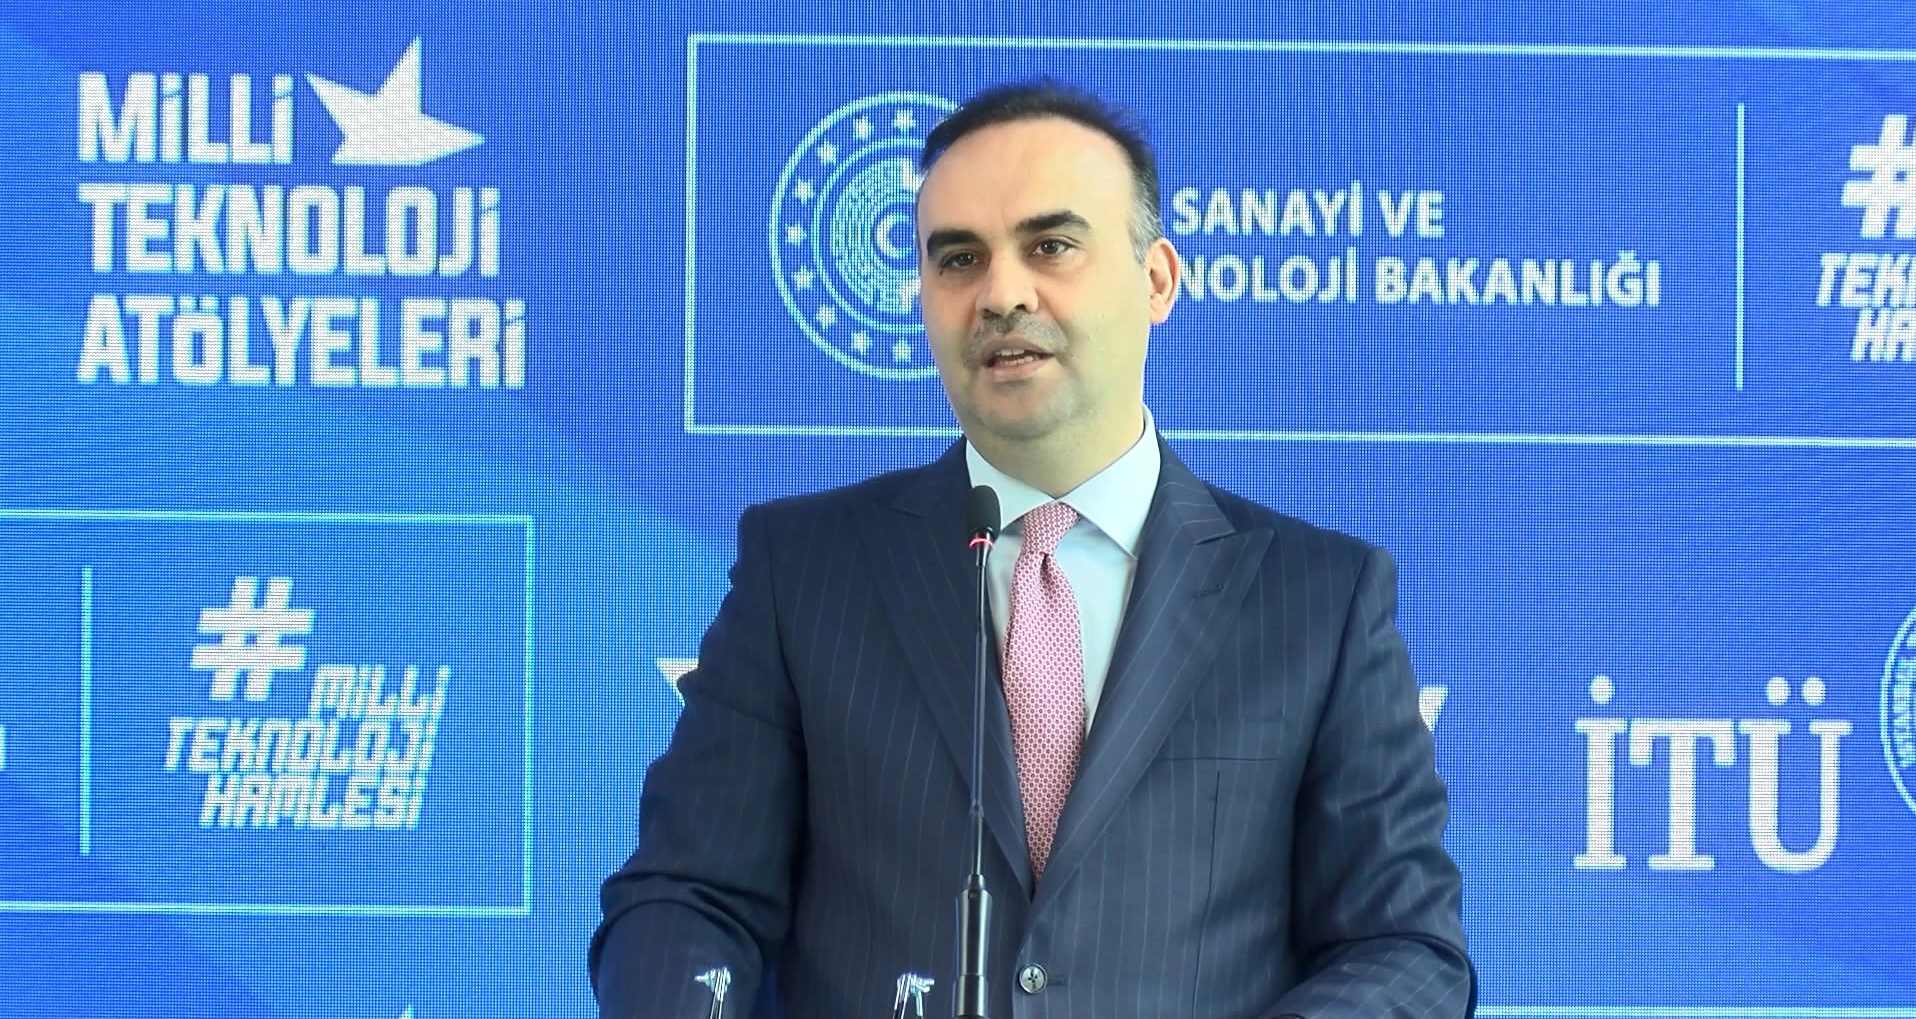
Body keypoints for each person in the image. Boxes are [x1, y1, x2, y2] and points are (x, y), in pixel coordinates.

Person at [591, 79, 1474, 1018]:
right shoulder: (803, 570)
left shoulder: (1320, 599)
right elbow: (688, 898)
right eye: (958, 258)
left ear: (1157, 280)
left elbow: (1404, 948)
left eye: (1050, 246)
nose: (1001, 293)